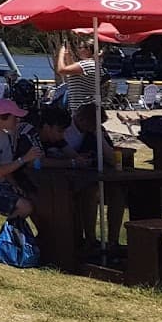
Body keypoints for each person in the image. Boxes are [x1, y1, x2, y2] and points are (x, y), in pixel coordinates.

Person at [65, 102, 127, 252]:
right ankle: (90, 239)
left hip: (92, 174)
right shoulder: (65, 129)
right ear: (82, 120)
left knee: (117, 193)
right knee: (91, 192)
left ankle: (113, 241)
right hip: (70, 177)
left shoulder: (96, 131)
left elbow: (112, 158)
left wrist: (98, 135)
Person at [55, 36, 99, 114]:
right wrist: (67, 55)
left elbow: (61, 70)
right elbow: (72, 69)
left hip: (82, 109)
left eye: (80, 47)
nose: (78, 50)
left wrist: (61, 54)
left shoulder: (86, 64)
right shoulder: (91, 64)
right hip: (82, 107)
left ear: (88, 49)